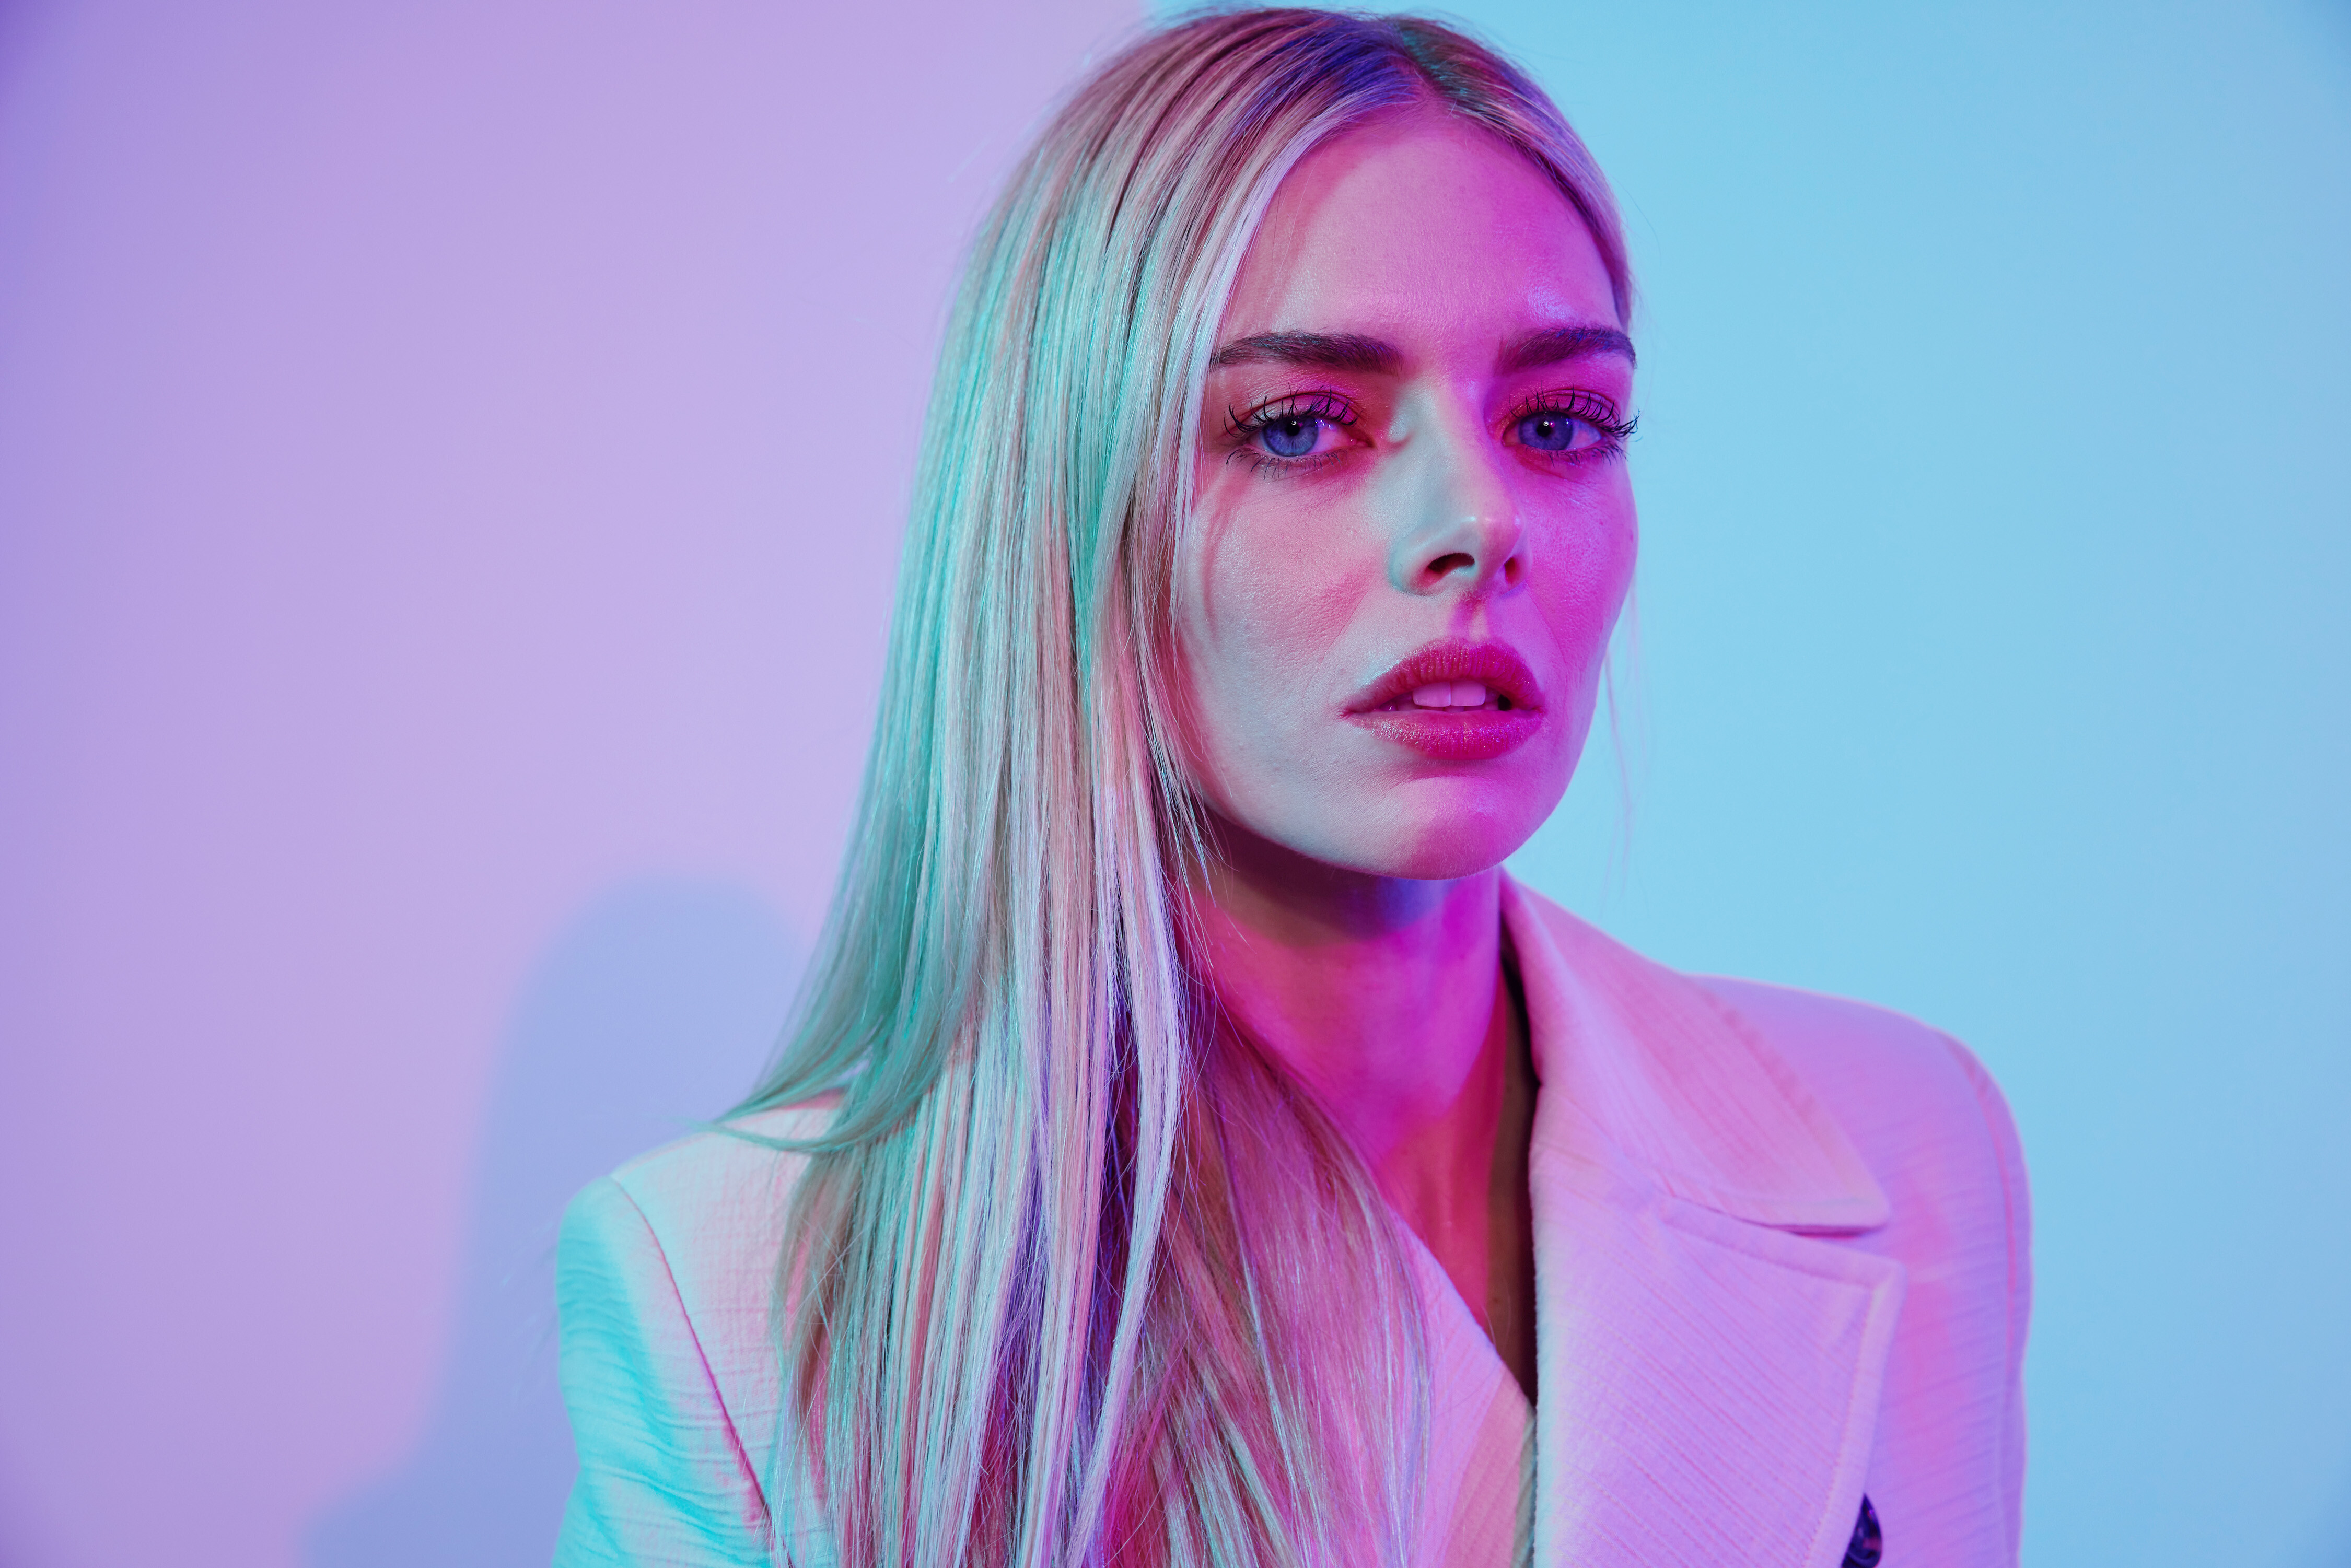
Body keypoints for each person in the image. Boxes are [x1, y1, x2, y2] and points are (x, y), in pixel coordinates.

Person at [550, 10, 2030, 1566]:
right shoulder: (738, 1302)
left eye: (1560, 423)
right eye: (1302, 426)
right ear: (1069, 510)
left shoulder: (1906, 1142)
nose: (1479, 522)